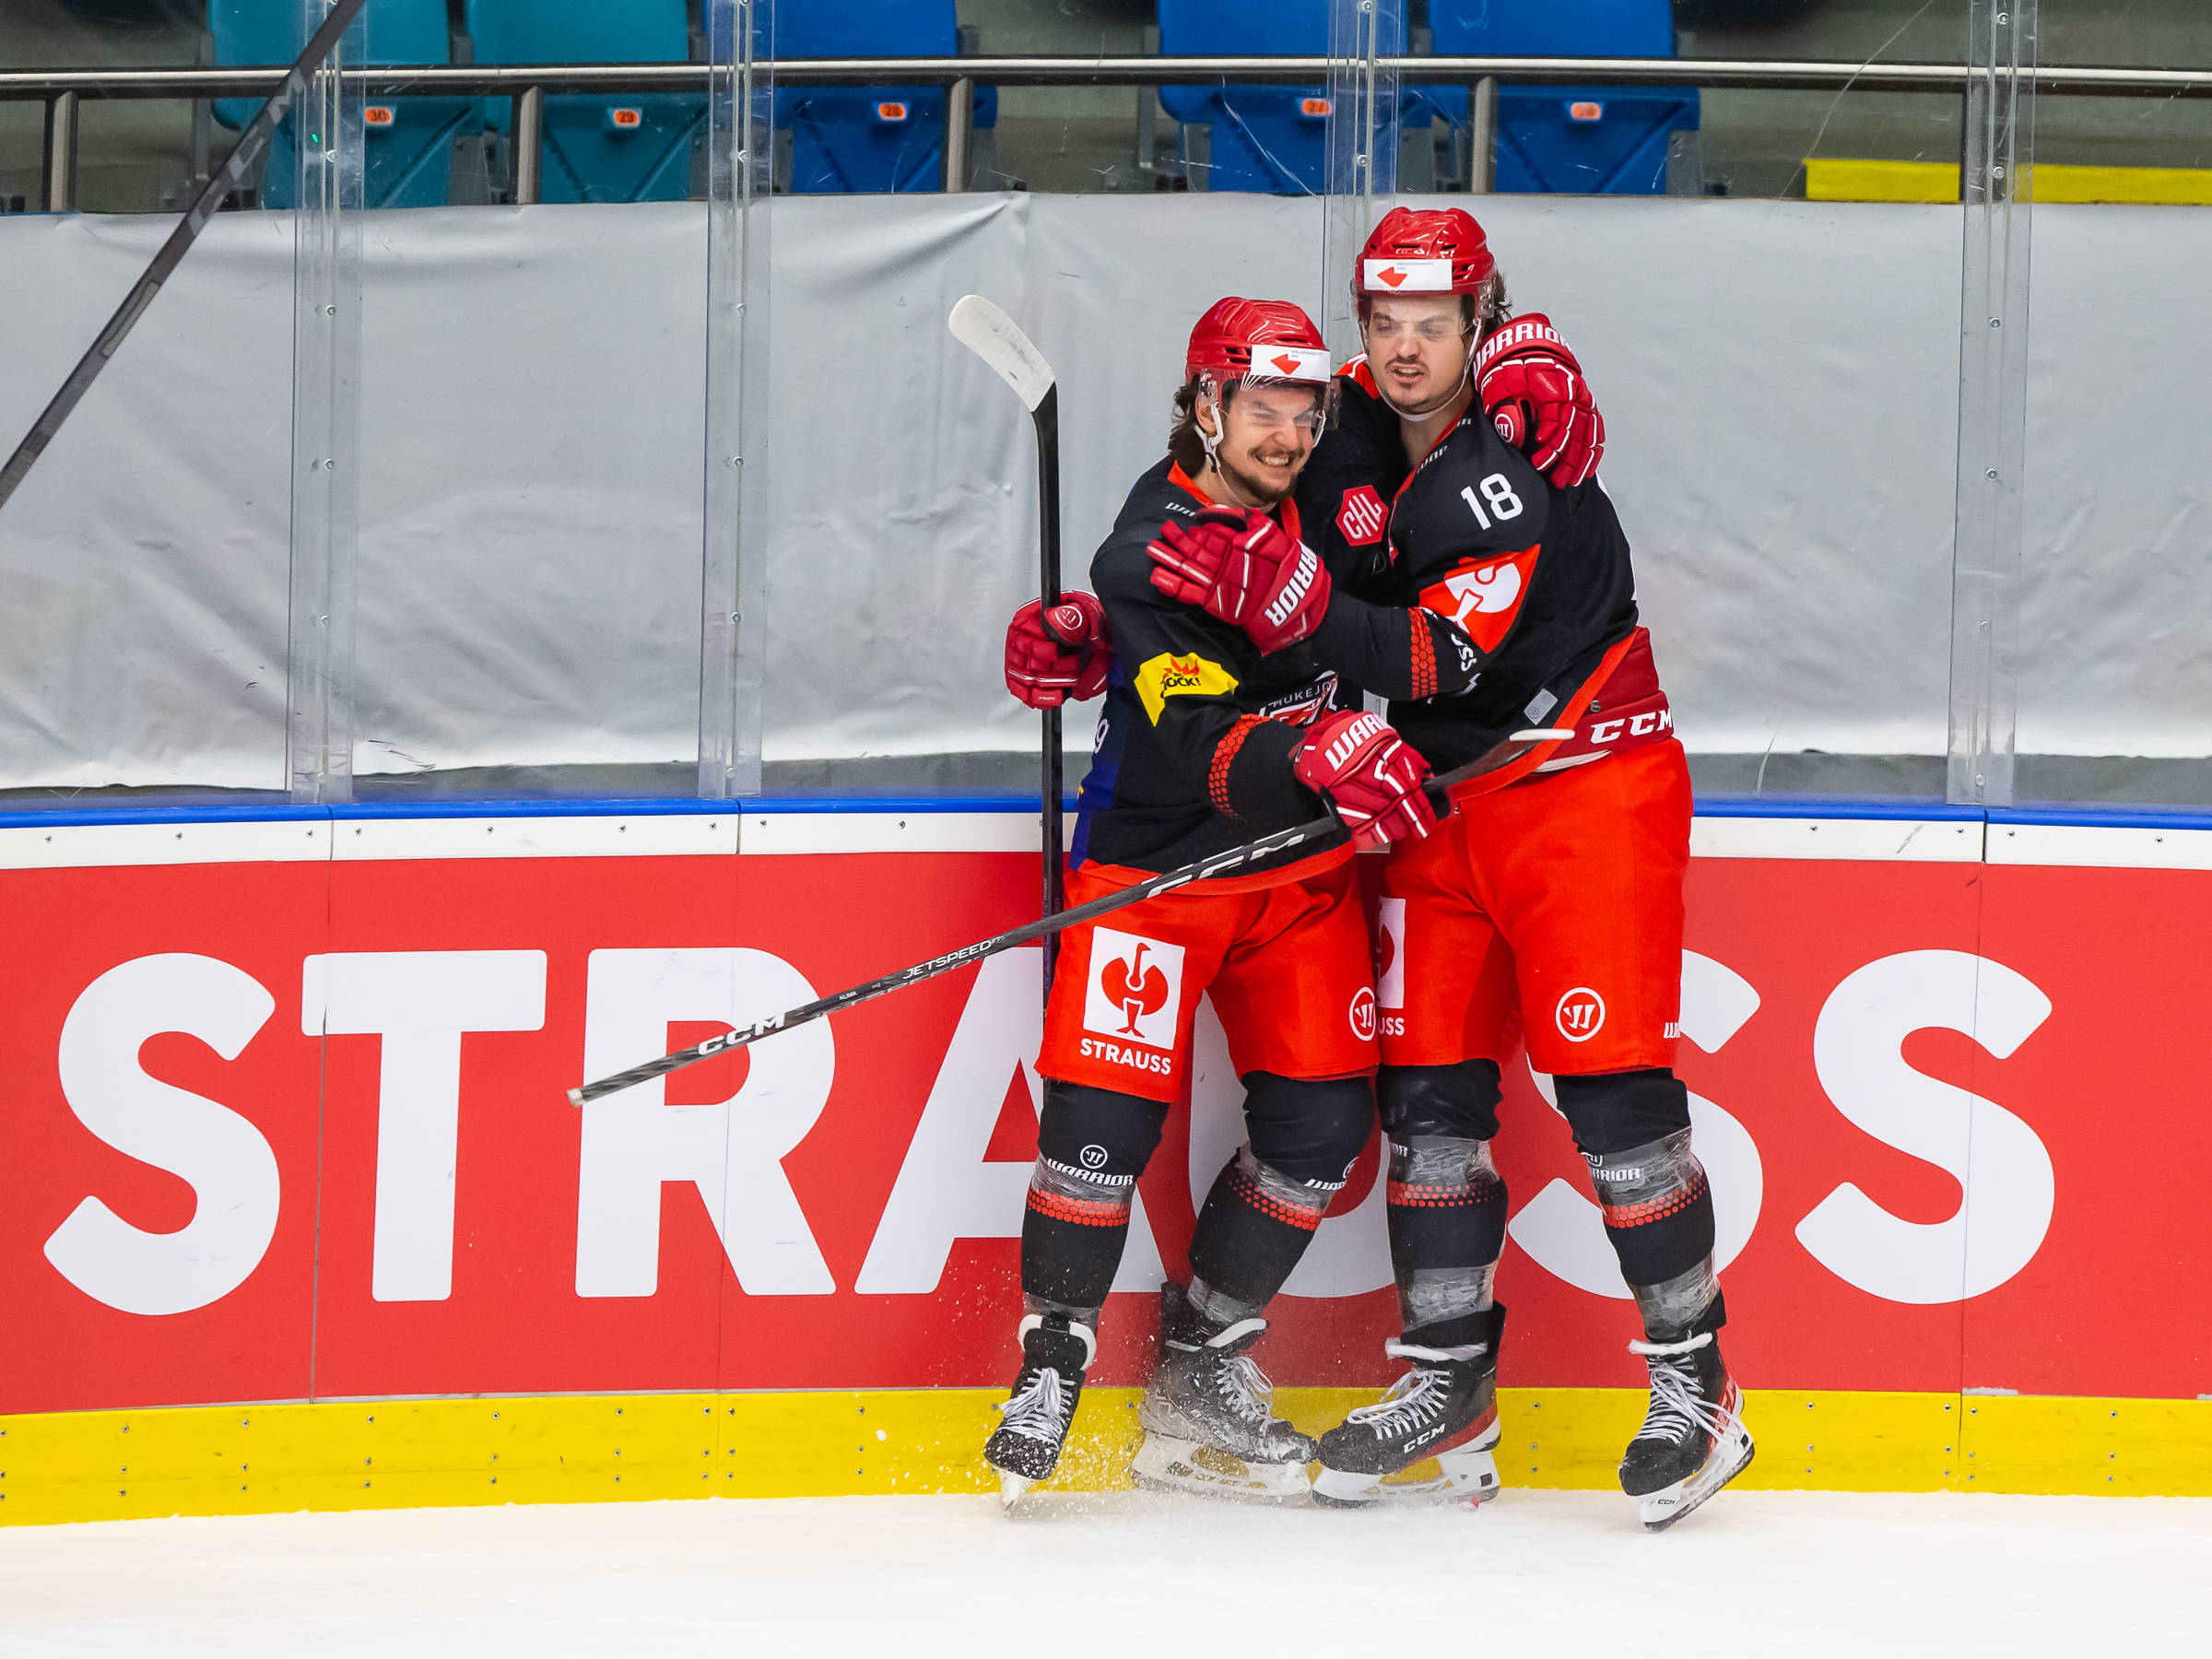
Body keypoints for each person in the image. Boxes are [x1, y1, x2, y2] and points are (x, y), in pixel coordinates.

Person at [1005, 209, 1753, 1532]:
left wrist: (1534, 354)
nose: (1405, 351)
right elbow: (1185, 544)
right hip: (1420, 807)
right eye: (1385, 323)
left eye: (1439, 324)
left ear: (1481, 323)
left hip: (1576, 780)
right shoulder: (1333, 419)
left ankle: (1696, 1384)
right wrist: (1111, 626)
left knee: (1612, 1088)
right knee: (1429, 1107)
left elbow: (1441, 660)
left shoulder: (1516, 456)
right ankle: (1450, 1383)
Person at [984, 297, 1440, 1509]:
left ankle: (1201, 1361)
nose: (1288, 434)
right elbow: (1191, 746)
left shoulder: (1332, 485)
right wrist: (1319, 748)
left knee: (1321, 1129)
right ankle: (1053, 1360)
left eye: (1304, 410)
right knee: (1099, 1131)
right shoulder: (1148, 553)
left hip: (1297, 877)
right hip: (1155, 875)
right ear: (1205, 406)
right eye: (1262, 408)